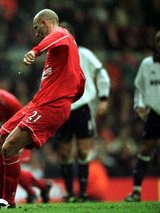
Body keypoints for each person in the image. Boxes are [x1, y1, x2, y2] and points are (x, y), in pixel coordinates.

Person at [0, 9, 85, 208]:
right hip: (39, 102)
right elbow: (81, 80)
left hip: (51, 106)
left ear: (46, 22)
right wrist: (70, 96)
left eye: (37, 28)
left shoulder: (62, 34)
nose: (36, 33)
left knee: (9, 147)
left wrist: (35, 51)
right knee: (1, 140)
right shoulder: (62, 52)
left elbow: (55, 36)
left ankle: (8, 201)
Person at [0, 72, 52, 203]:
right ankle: (40, 188)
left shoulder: (9, 101)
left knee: (10, 169)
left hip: (17, 139)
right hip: (1, 140)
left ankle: (36, 189)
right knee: (8, 169)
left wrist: (19, 144)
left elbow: (24, 119)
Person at [55, 22, 111, 202]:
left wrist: (103, 98)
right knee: (64, 152)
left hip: (83, 107)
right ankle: (70, 193)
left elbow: (102, 74)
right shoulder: (53, 57)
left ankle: (84, 193)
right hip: (62, 109)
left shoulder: (84, 54)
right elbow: (45, 84)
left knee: (83, 151)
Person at [124, 29, 160, 202]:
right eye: (159, 41)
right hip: (155, 113)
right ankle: (136, 191)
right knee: (145, 150)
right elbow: (139, 87)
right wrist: (139, 105)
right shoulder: (148, 64)